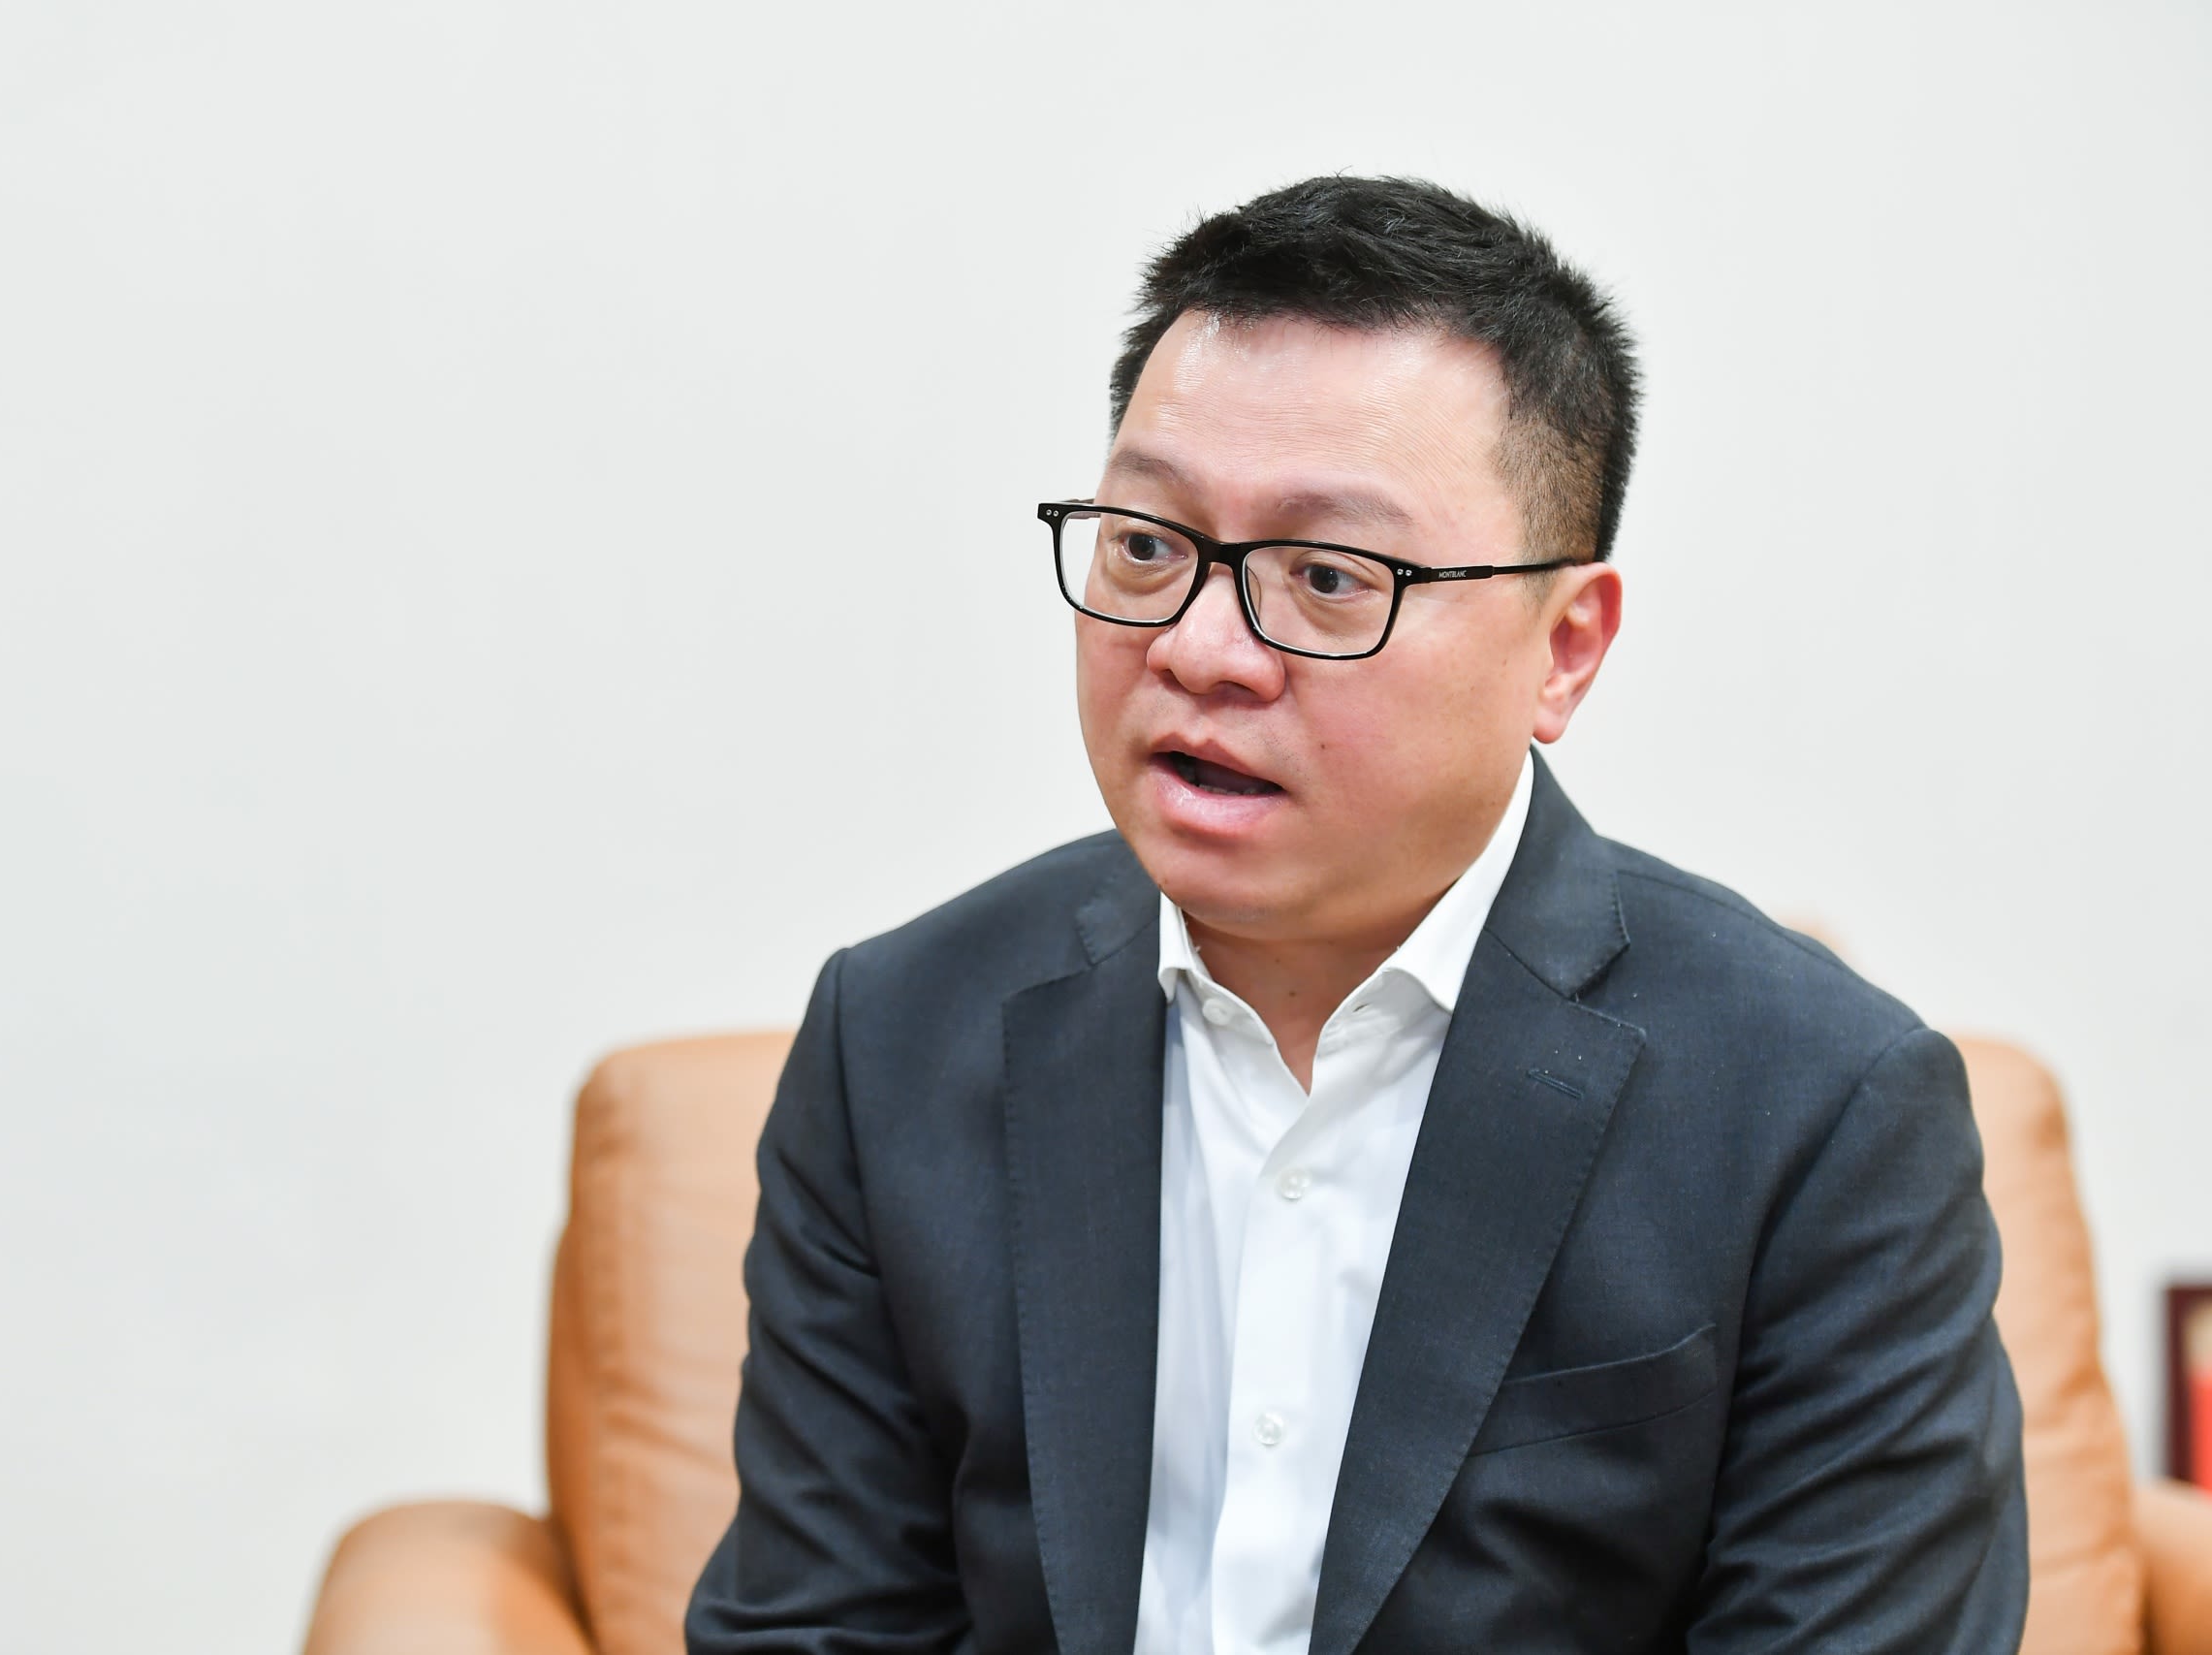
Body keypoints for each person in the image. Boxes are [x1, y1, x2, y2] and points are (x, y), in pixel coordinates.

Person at [685, 175, 2026, 1655]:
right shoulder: (896, 1039)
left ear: (1565, 650)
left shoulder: (1819, 1110)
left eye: (1329, 576)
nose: (1200, 649)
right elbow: (818, 1628)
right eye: (1147, 545)